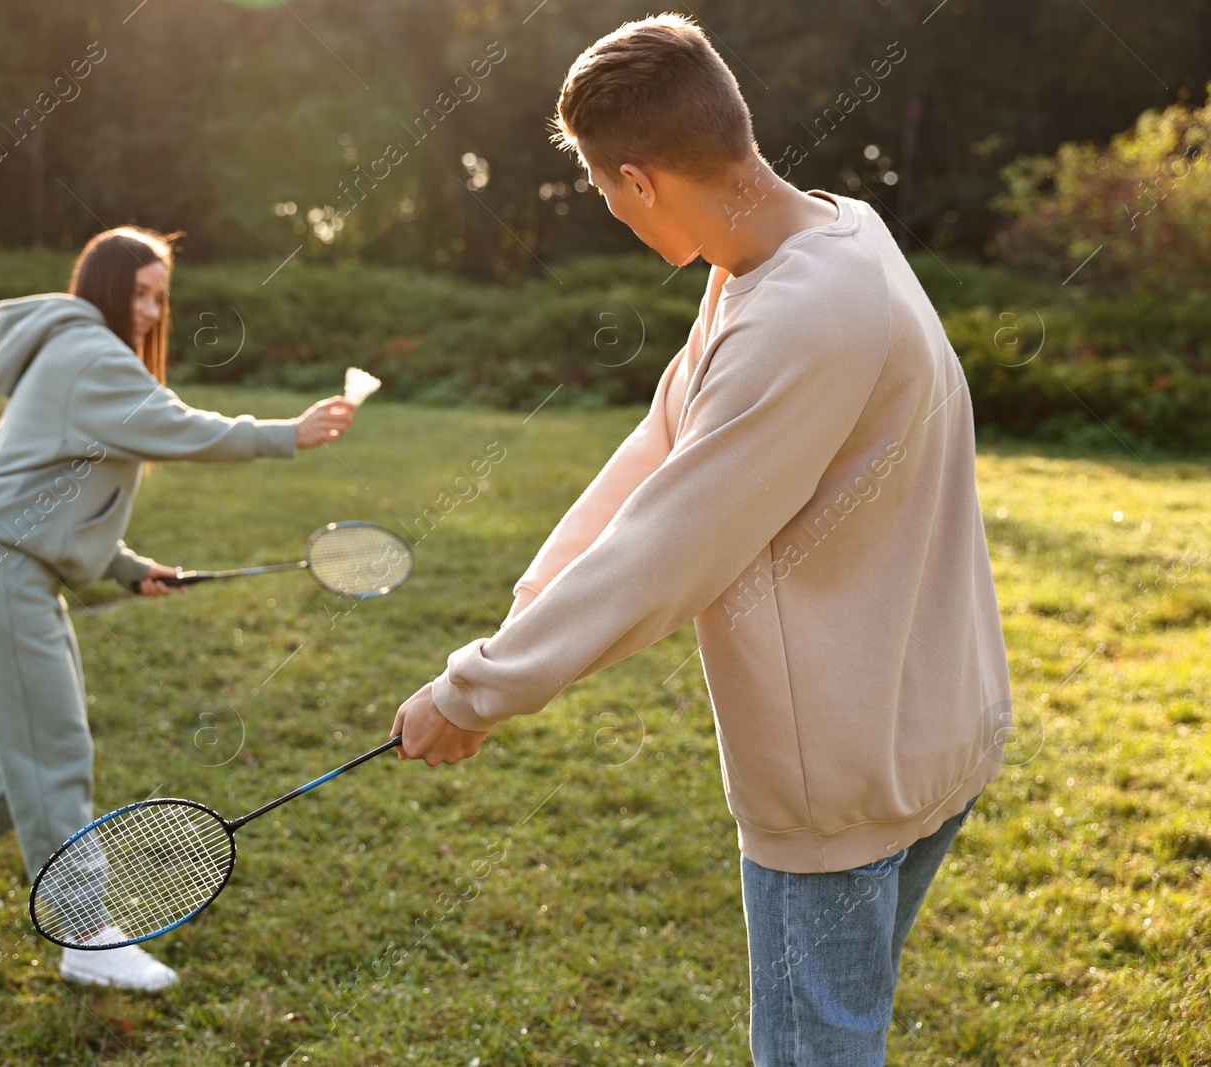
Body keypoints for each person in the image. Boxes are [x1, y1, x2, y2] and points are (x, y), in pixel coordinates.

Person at [390, 15, 1011, 1064]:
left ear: (637, 182)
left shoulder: (802, 311)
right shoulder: (811, 239)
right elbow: (663, 442)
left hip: (841, 785)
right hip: (923, 735)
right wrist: (530, 607)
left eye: (601, 192)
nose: (610, 212)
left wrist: (472, 691)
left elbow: (666, 553)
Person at [0, 225, 357, 991]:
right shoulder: (88, 353)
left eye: (159, 297)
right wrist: (284, 434)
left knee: (44, 733)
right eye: (139, 293)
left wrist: (126, 565)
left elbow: (49, 490)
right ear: (103, 286)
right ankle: (85, 933)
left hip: (7, 566)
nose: (149, 309)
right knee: (54, 748)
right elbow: (176, 428)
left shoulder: (75, 353)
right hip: (1, 573)